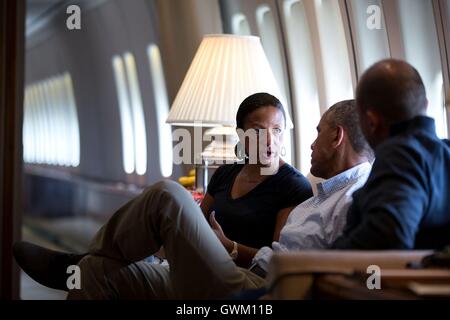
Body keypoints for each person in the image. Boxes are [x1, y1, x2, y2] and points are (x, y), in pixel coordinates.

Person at [14, 98, 373, 299]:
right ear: (242, 135)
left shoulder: (343, 196)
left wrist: (229, 248)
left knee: (167, 195)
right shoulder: (316, 196)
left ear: (337, 137)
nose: (308, 144)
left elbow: (336, 269)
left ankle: (78, 257)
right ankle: (85, 261)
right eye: (261, 131)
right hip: (227, 272)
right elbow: (200, 224)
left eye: (279, 131)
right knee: (96, 273)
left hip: (257, 288)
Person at [332, 59, 450, 249]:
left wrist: (322, 261)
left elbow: (389, 237)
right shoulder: (445, 151)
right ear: (426, 106)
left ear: (371, 122)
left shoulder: (401, 154)